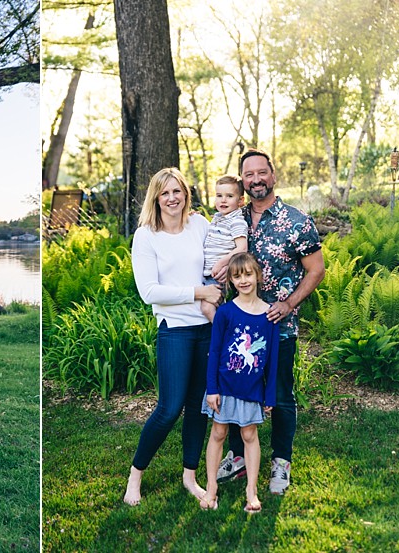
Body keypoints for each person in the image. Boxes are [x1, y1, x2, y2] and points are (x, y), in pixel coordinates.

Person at [215, 148, 325, 495]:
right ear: (242, 180)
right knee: (235, 389)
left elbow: (316, 269)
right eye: (249, 175)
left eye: (262, 173)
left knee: (279, 394)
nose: (256, 180)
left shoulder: (297, 221)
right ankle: (237, 455)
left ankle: (280, 462)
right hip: (238, 328)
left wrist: (290, 303)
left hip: (279, 327)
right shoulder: (233, 218)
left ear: (273, 175)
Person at [123, 168, 223, 505]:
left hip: (207, 329)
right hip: (175, 331)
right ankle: (135, 475)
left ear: (185, 194)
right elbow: (150, 291)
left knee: (198, 408)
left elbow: (219, 259)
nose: (172, 198)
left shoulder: (200, 225)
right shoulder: (146, 236)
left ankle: (189, 477)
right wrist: (199, 292)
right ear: (156, 197)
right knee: (168, 408)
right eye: (165, 193)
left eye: (177, 191)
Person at [200, 252, 279, 513]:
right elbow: (214, 353)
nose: (243, 280)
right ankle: (211, 488)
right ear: (231, 282)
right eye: (237, 276)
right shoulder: (225, 313)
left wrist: (269, 396)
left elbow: (272, 360)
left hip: (251, 388)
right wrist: (212, 388)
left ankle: (251, 490)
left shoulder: (269, 316)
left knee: (249, 434)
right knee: (219, 433)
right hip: (224, 386)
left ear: (258, 275)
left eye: (248, 274)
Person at [200, 175, 248, 322]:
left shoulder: (236, 221)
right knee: (217, 308)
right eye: (219, 195)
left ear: (240, 201)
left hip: (219, 275)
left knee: (207, 308)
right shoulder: (218, 218)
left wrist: (222, 263)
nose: (223, 200)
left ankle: (224, 334)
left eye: (229, 196)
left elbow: (242, 248)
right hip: (209, 275)